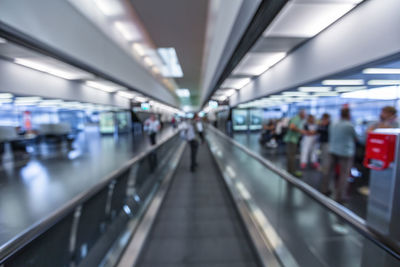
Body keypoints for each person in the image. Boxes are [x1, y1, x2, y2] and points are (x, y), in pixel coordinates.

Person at [321, 108, 357, 204]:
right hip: (345, 152)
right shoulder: (350, 125)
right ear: (348, 115)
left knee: (328, 171)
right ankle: (340, 196)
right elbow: (355, 138)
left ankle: (324, 189)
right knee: (343, 174)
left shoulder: (333, 124)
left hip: (332, 149)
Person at [283, 110, 306, 177]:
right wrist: (301, 131)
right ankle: (291, 171)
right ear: (301, 114)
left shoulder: (298, 119)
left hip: (293, 140)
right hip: (291, 140)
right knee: (291, 156)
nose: (305, 116)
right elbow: (292, 127)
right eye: (304, 114)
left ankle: (290, 170)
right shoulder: (296, 119)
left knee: (291, 156)